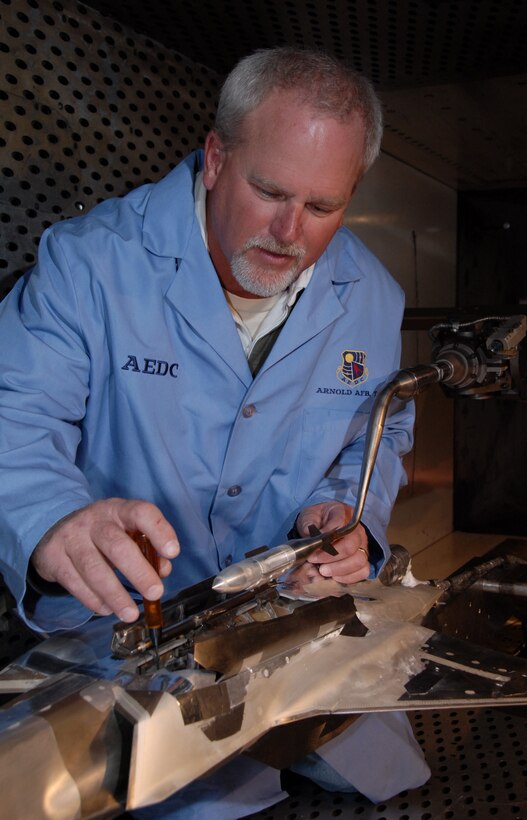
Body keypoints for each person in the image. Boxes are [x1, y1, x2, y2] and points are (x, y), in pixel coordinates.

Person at [0, 47, 429, 816]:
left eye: (324, 207)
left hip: (297, 638)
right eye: (268, 191)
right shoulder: (92, 264)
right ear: (214, 157)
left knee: (381, 777)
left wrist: (350, 513)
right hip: (131, 650)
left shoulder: (371, 295)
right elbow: (13, 413)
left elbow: (379, 432)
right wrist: (53, 519)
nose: (289, 232)